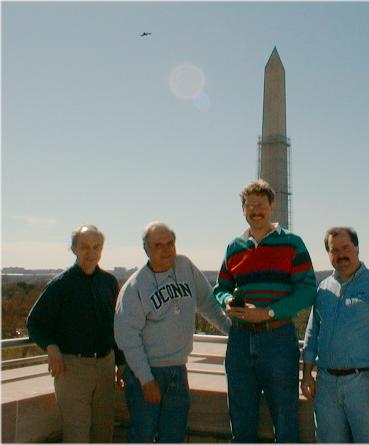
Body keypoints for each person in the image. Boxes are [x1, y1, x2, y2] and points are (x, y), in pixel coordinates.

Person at [214, 179, 317, 443]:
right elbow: (221, 287)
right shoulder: (234, 247)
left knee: (284, 420)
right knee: (241, 419)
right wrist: (227, 301)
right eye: (249, 206)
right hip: (239, 340)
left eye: (260, 205)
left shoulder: (292, 243)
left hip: (278, 338)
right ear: (243, 210)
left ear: (272, 206)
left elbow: (307, 290)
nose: (255, 210)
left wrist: (269, 313)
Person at [114, 221, 231, 443]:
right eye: (158, 245)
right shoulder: (135, 287)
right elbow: (127, 338)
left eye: (170, 243)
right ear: (147, 250)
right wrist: (146, 380)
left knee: (173, 437)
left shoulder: (185, 266)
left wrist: (232, 331)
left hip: (178, 370)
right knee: (143, 435)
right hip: (147, 373)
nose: (166, 249)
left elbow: (208, 303)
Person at [301, 227, 369, 443]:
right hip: (327, 386)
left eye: (346, 248)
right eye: (334, 250)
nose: (341, 254)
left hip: (366, 385)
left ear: (357, 248)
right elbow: (312, 335)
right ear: (329, 254)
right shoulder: (324, 289)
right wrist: (306, 375)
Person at [27, 224, 125, 443]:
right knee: (76, 434)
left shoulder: (108, 283)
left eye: (96, 247)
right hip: (72, 368)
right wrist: (51, 347)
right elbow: (35, 323)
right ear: (74, 249)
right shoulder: (60, 285)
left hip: (105, 366)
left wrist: (121, 362)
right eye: (85, 247)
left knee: (103, 432)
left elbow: (115, 326)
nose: (91, 253)